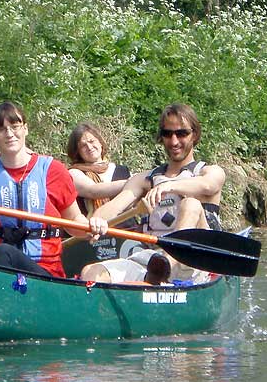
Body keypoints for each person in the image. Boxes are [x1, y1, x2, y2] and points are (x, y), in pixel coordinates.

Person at [0, 101, 97, 277]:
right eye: (2, 129)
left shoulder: (53, 171)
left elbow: (74, 222)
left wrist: (91, 225)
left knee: (4, 252)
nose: (9, 134)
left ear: (25, 129)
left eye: (15, 126)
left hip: (43, 270)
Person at [82, 103, 226, 284]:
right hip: (151, 259)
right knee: (90, 272)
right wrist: (97, 220)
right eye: (167, 134)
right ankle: (155, 276)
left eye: (181, 133)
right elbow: (111, 209)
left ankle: (167, 265)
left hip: (195, 260)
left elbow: (208, 185)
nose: (174, 141)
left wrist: (169, 186)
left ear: (194, 134)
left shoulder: (210, 172)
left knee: (191, 204)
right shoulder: (145, 180)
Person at [65, 122, 131, 216]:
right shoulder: (74, 173)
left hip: (128, 228)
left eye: (92, 141)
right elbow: (93, 191)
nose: (89, 147)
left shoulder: (122, 170)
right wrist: (133, 182)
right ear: (77, 152)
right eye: (83, 146)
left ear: (100, 142)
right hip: (96, 228)